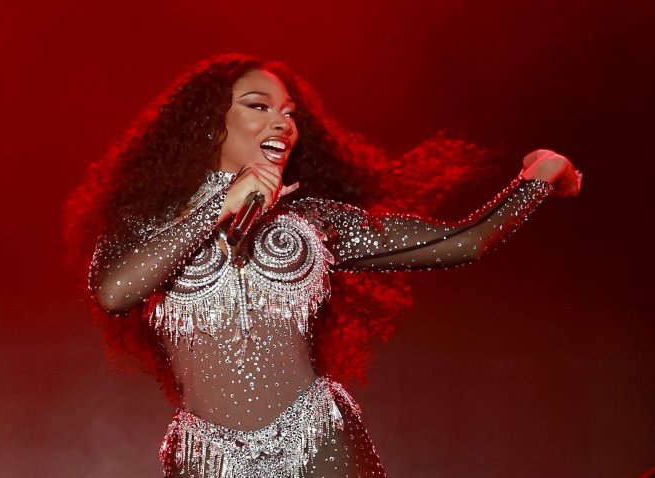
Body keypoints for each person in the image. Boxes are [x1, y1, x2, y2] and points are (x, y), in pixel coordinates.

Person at [65, 53, 581, 478]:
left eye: (290, 114)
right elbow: (113, 292)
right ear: (207, 123)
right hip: (207, 460)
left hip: (320, 444)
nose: (282, 123)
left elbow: (464, 242)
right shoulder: (148, 225)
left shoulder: (314, 221)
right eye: (258, 105)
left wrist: (539, 175)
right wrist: (216, 209)